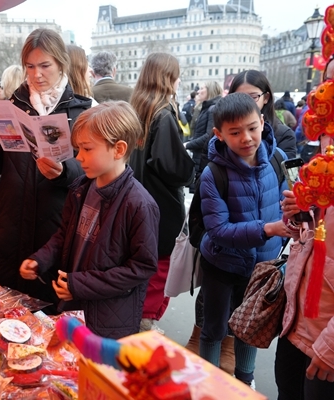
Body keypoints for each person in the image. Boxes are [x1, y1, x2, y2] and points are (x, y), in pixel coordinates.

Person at [0, 28, 91, 308]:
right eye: (30, 66)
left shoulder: (81, 112)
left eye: (45, 66)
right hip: (10, 226)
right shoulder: (13, 105)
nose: (36, 75)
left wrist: (65, 172)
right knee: (4, 315)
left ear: (61, 64)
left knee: (47, 322)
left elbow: (93, 170)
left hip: (54, 230)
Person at [19, 101, 159, 338]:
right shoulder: (82, 189)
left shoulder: (139, 204)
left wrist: (79, 285)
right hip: (76, 310)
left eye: (87, 149)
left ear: (119, 149)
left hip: (107, 321)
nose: (79, 157)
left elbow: (140, 268)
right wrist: (40, 259)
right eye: (78, 149)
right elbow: (64, 234)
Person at [197, 92, 291, 388]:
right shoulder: (213, 174)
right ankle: (208, 383)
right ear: (219, 134)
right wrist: (269, 229)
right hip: (221, 265)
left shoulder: (278, 160)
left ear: (263, 122)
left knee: (250, 326)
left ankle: (243, 382)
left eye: (252, 128)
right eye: (235, 132)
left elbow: (287, 207)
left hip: (262, 266)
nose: (246, 138)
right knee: (213, 328)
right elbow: (219, 231)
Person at [128, 52, 195, 332]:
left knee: (141, 267)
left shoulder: (137, 108)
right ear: (169, 78)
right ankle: (146, 324)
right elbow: (172, 166)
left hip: (137, 200)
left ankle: (137, 319)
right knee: (160, 271)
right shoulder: (163, 113)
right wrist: (190, 164)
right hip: (162, 206)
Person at [276, 139, 334, 398]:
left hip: (325, 343)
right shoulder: (320, 172)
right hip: (295, 325)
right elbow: (307, 236)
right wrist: (297, 215)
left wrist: (331, 347)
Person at [229, 70, 296, 159]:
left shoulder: (284, 135)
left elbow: (286, 171)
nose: (246, 103)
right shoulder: (224, 130)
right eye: (239, 97)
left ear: (266, 98)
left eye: (253, 97)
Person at [185, 81, 223, 186]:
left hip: (205, 158)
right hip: (201, 157)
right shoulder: (207, 108)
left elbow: (208, 136)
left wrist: (187, 145)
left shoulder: (212, 109)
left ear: (210, 90)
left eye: (202, 88)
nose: (199, 91)